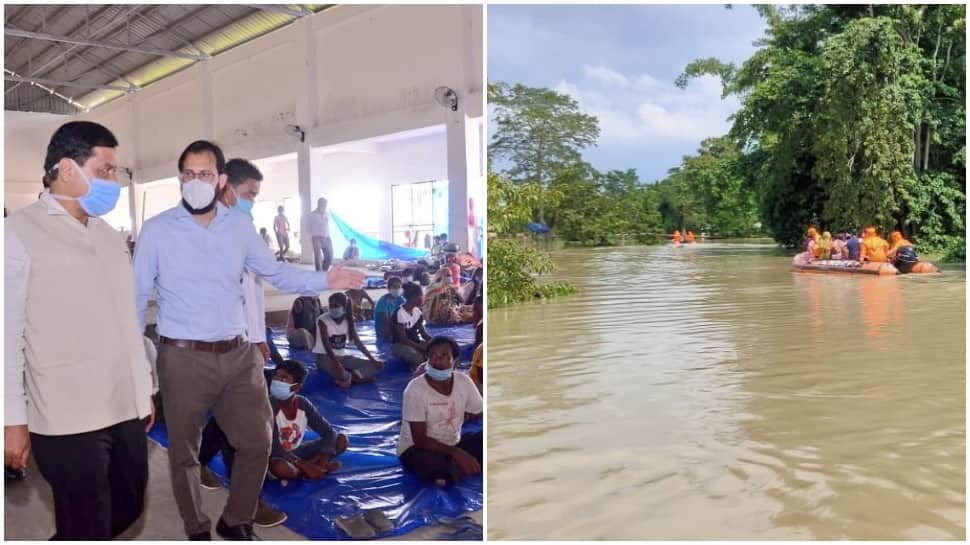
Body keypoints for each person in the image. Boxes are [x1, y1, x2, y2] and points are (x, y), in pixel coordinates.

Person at [133, 140, 365, 540]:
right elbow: (135, 300)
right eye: (188, 174)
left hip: (237, 354)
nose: (195, 181)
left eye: (204, 174)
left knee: (258, 441)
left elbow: (277, 274)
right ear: (180, 179)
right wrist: (137, 370)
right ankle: (197, 527)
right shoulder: (156, 232)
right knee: (185, 454)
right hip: (182, 356)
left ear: (220, 179)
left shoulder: (238, 228)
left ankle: (235, 518)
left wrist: (324, 281)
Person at [5, 121, 154, 539]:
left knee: (126, 508)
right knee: (87, 524)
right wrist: (11, 420)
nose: (113, 181)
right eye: (105, 170)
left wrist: (142, 389)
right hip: (64, 414)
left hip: (122, 405)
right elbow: (7, 336)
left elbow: (127, 320)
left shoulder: (109, 237)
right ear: (67, 168)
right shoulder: (17, 233)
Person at [197, 158, 286, 527]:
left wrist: (259, 337)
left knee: (238, 421)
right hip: (219, 341)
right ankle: (246, 508)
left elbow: (253, 289)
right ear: (226, 187)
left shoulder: (243, 227)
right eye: (249, 193)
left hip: (245, 341)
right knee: (249, 429)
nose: (252, 201)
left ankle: (202, 463)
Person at [397, 337, 483, 485]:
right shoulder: (415, 389)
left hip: (452, 442)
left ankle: (454, 470)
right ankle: (450, 471)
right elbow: (420, 440)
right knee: (433, 465)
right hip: (417, 449)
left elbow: (479, 410)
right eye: (433, 356)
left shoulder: (463, 382)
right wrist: (457, 453)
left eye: (444, 356)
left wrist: (464, 417)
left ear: (455, 361)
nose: (437, 361)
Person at [268, 360, 348, 480]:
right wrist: (305, 465)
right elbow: (275, 448)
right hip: (276, 455)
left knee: (341, 439)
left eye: (284, 378)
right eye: (276, 376)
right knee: (281, 468)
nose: (277, 381)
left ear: (296, 387)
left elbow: (329, 432)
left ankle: (315, 468)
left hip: (298, 451)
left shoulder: (302, 404)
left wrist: (322, 460)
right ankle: (308, 470)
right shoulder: (268, 406)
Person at [314, 293, 384, 388]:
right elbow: (326, 344)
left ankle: (352, 379)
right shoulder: (322, 320)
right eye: (331, 305)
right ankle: (356, 378)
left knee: (375, 366)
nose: (332, 308)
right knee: (341, 373)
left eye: (336, 306)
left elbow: (358, 342)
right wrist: (336, 363)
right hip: (325, 358)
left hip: (343, 357)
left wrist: (372, 359)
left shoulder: (348, 320)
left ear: (344, 307)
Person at [392, 282, 433, 370]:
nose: (423, 298)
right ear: (414, 297)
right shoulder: (399, 313)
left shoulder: (417, 311)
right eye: (421, 295)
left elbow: (423, 334)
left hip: (414, 342)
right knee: (418, 358)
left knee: (435, 351)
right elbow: (403, 340)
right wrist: (421, 348)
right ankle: (415, 374)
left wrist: (435, 342)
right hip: (399, 345)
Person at [375, 277, 406, 341]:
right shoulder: (382, 302)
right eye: (394, 287)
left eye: (399, 287)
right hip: (384, 332)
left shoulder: (400, 299)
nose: (397, 289)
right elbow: (387, 322)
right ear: (389, 288)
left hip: (396, 328)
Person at [308, 197, 333, 271]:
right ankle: (319, 273)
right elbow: (308, 227)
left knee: (329, 256)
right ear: (319, 204)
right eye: (323, 204)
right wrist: (312, 237)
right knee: (318, 257)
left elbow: (327, 225)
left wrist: (327, 235)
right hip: (316, 238)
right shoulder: (312, 214)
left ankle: (324, 271)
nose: (325, 206)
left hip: (327, 237)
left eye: (325, 204)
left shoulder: (327, 214)